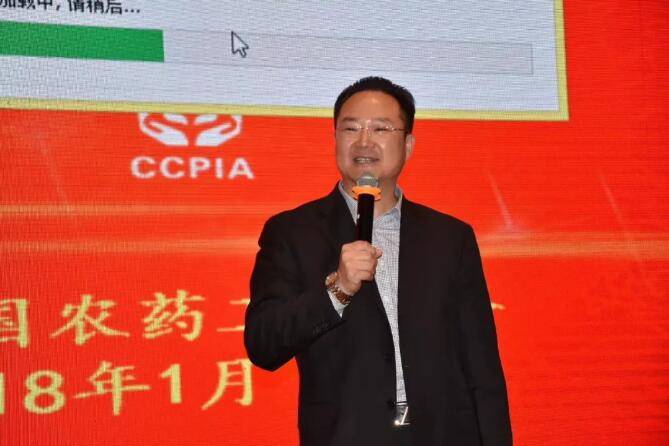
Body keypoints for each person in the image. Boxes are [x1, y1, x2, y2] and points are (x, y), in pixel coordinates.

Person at [244, 76, 512, 446]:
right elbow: (263, 344)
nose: (364, 141)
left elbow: (482, 366)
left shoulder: (451, 237)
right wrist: (337, 290)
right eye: (351, 128)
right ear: (335, 139)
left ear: (408, 144)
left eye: (381, 128)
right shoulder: (292, 232)